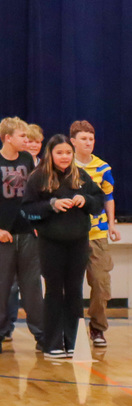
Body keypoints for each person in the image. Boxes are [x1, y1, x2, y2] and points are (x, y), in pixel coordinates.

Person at [22, 134, 105, 359]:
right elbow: (27, 210)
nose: (65, 157)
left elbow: (98, 203)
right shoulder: (38, 177)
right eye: (60, 153)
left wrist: (85, 200)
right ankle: (52, 343)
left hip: (78, 243)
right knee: (54, 292)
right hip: (51, 244)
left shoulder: (80, 175)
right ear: (51, 154)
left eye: (68, 152)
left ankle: (73, 342)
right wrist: (52, 204)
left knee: (75, 292)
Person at [70, 120, 120, 348]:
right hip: (70, 234)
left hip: (97, 235)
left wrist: (111, 224)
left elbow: (108, 196)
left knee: (101, 283)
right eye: (83, 138)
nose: (88, 142)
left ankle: (98, 328)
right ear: (73, 141)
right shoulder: (65, 164)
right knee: (68, 284)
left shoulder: (103, 167)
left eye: (91, 139)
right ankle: (68, 329)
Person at [0, 117, 44, 353]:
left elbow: (36, 194)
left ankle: (42, 335)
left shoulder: (28, 160)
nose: (27, 141)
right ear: (8, 138)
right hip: (3, 236)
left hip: (27, 232)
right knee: (2, 287)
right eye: (22, 136)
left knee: (32, 287)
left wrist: (37, 220)